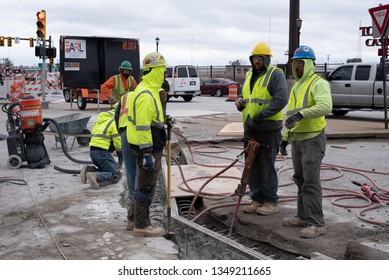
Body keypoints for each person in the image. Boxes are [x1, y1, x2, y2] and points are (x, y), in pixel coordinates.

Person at [281, 45, 332, 238]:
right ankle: (303, 216)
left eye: (301, 63)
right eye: (295, 63)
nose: (297, 67)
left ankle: (317, 223)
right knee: (300, 179)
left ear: (309, 64)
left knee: (311, 181)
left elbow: (326, 106)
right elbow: (291, 116)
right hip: (297, 139)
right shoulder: (297, 86)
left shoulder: (318, 83)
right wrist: (285, 138)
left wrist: (303, 114)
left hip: (312, 139)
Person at [235, 42, 288, 216]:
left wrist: (262, 115)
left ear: (266, 59)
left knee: (266, 165)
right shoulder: (250, 75)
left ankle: (270, 201)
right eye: (254, 57)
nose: (257, 60)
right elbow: (246, 98)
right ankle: (256, 198)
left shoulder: (275, 74)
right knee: (252, 165)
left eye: (260, 58)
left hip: (268, 129)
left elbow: (280, 99)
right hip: (250, 128)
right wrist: (240, 102)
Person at [125, 52, 171, 237]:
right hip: (147, 147)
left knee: (142, 184)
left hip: (145, 145)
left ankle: (132, 219)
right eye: (163, 71)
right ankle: (142, 226)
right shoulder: (146, 94)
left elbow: (152, 119)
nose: (164, 75)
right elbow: (143, 126)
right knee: (146, 186)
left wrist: (164, 120)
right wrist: (147, 154)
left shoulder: (148, 90)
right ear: (156, 71)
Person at [115, 77, 169, 231]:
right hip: (141, 139)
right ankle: (141, 222)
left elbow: (115, 116)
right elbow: (147, 122)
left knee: (134, 180)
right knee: (145, 181)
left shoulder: (129, 95)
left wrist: (124, 133)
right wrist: (147, 151)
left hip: (127, 135)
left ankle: (132, 218)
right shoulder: (151, 95)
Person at [80, 103, 123, 189]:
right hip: (102, 152)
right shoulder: (114, 122)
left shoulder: (101, 120)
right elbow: (117, 140)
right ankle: (95, 175)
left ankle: (89, 170)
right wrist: (121, 152)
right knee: (114, 174)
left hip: (93, 151)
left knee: (104, 169)